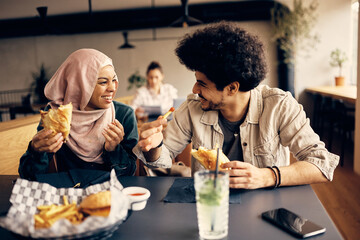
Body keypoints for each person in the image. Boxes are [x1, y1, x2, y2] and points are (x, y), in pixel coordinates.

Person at [133, 21, 339, 189]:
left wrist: (266, 177)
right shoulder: (191, 109)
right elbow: (161, 159)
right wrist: (155, 146)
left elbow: (321, 164)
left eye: (202, 83)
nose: (195, 89)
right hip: (209, 205)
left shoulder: (279, 106)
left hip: (269, 212)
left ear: (232, 88)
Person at [19, 49, 138, 180]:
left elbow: (130, 174)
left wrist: (114, 150)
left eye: (114, 80)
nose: (112, 88)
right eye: (103, 82)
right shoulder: (57, 116)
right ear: (80, 84)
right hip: (70, 197)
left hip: (112, 195)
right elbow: (29, 176)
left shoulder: (124, 115)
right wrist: (35, 151)